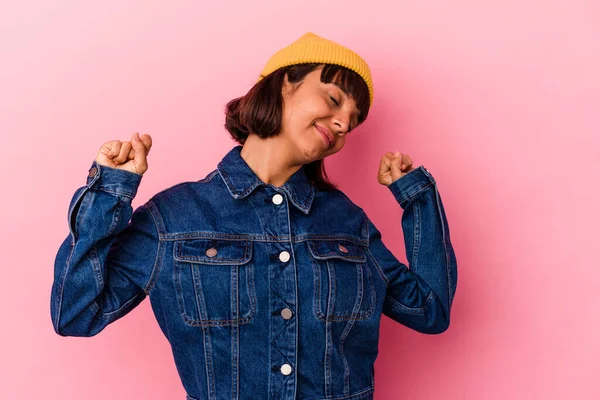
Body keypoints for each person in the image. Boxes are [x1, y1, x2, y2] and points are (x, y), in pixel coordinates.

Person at [50, 32, 458, 400]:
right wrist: (109, 192)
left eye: (352, 121)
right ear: (285, 81)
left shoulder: (348, 222)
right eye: (334, 100)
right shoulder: (173, 218)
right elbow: (76, 313)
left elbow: (430, 311)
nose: (341, 123)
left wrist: (417, 197)